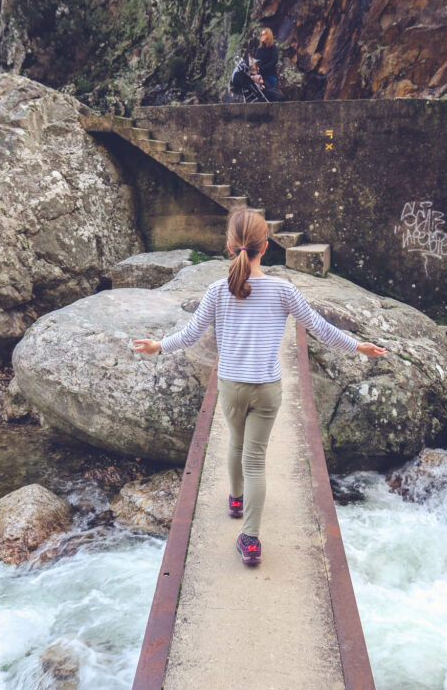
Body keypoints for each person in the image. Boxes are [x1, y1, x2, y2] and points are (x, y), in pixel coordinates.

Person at [133, 210, 387, 567]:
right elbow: (321, 329)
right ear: (265, 247)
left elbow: (190, 335)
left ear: (228, 246)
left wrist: (158, 345)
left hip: (231, 386)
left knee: (236, 444)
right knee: (255, 460)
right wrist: (358, 346)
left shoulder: (217, 291)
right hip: (266, 388)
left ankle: (235, 500)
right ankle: (250, 540)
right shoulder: (283, 290)